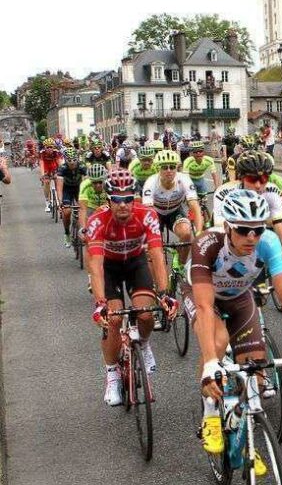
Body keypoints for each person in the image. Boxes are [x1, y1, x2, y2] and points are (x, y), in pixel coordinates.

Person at [187, 189, 282, 460]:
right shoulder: (207, 244)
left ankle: (242, 430)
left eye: (257, 230)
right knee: (218, 342)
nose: (251, 237)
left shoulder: (268, 243)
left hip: (239, 297)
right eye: (243, 230)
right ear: (227, 226)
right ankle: (211, 412)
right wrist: (211, 362)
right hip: (203, 296)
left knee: (256, 375)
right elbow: (203, 305)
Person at [87, 169, 174, 405]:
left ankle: (144, 345)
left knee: (146, 315)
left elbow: (156, 254)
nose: (123, 205)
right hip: (110, 268)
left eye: (128, 198)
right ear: (108, 200)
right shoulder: (97, 221)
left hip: (136, 263)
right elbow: (95, 265)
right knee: (114, 320)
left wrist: (165, 293)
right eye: (117, 199)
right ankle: (112, 375)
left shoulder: (147, 215)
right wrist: (100, 304)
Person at [213, 151, 282, 277]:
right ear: (240, 177)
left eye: (263, 179)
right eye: (252, 179)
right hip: (232, 232)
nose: (258, 185)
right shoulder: (224, 193)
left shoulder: (272, 191)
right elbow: (220, 235)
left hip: (259, 229)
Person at [141, 149, 202, 267]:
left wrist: (199, 232)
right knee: (152, 247)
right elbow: (147, 212)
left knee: (186, 233)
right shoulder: (151, 182)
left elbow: (195, 206)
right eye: (164, 167)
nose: (169, 170)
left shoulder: (184, 179)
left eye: (172, 167)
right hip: (155, 213)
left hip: (175, 211)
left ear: (177, 168)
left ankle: (180, 266)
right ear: (158, 168)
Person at [56, 148, 86, 247]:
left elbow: (86, 183)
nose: (72, 163)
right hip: (67, 190)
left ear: (77, 159)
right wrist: (60, 201)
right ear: (65, 160)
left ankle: (84, 231)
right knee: (67, 211)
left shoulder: (82, 166)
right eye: (69, 160)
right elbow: (59, 187)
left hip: (79, 189)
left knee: (83, 209)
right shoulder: (62, 168)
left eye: (74, 160)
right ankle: (67, 233)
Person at [38, 137, 62, 212]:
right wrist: (42, 175)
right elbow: (41, 164)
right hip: (46, 168)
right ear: (44, 147)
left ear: (53, 147)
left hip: (54, 167)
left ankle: (59, 201)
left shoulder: (56, 152)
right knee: (47, 182)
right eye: (47, 147)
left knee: (58, 181)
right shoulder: (42, 153)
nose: (49, 149)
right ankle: (47, 202)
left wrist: (62, 172)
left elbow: (60, 163)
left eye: (51, 147)